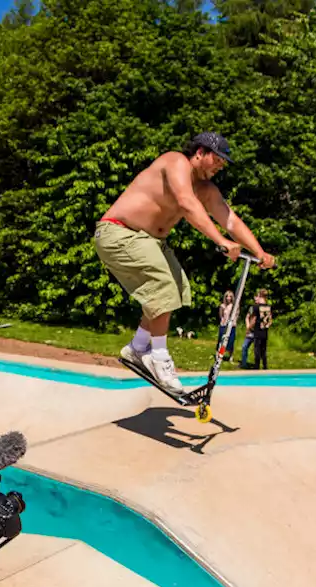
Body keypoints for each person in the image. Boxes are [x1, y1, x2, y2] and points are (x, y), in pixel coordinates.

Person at [93, 131, 276, 393]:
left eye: (223, 163)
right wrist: (220, 240)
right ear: (200, 152)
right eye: (217, 159)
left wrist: (260, 252)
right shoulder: (175, 161)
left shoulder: (207, 190)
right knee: (163, 286)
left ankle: (136, 347)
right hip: (119, 231)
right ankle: (158, 358)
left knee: (178, 289)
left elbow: (231, 220)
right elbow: (186, 203)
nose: (220, 166)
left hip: (150, 242)